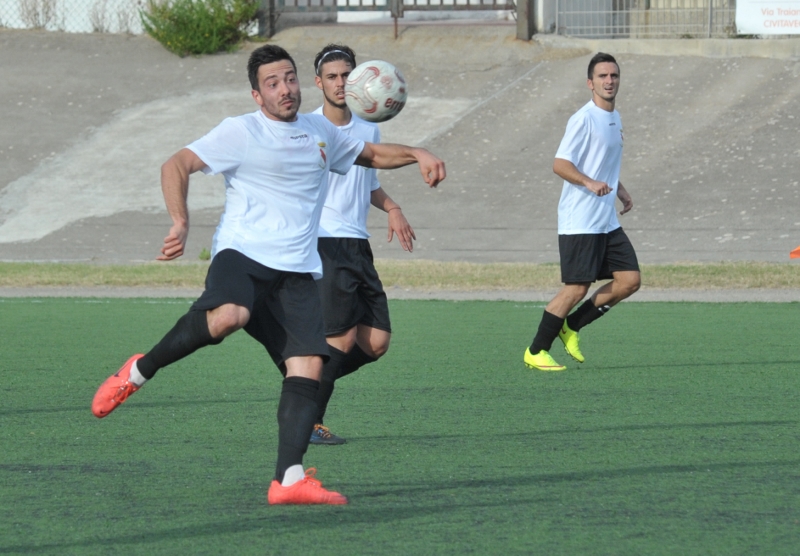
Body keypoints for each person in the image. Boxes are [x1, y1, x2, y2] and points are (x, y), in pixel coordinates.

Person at [91, 44, 446, 505]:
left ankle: (289, 478)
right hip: (243, 255)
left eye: (290, 79)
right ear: (257, 95)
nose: (285, 89)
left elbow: (372, 156)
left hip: (298, 270)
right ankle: (138, 371)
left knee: (309, 368)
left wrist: (417, 152)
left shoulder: (320, 131)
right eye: (273, 83)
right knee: (229, 316)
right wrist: (180, 221)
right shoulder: (240, 131)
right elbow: (176, 164)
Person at [306, 44, 415, 445]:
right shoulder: (309, 127)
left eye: (346, 76)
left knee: (376, 341)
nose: (340, 83)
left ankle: (305, 379)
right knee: (341, 338)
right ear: (318, 82)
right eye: (332, 76)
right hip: (326, 242)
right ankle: (310, 417)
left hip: (357, 243)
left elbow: (368, 182)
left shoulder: (369, 126)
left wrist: (392, 207)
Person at [524, 52, 640, 372]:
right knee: (576, 288)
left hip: (606, 220)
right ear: (590, 83)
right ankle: (536, 350)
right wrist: (588, 183)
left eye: (614, 76)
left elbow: (604, 163)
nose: (609, 81)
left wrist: (621, 190)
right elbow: (560, 164)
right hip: (581, 220)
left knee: (629, 280)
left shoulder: (616, 118)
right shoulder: (583, 118)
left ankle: (571, 326)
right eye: (602, 76)